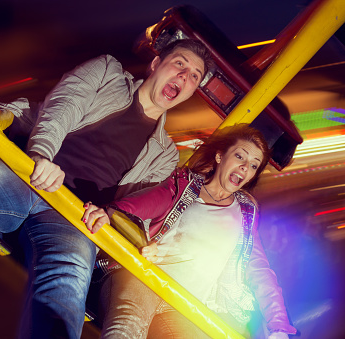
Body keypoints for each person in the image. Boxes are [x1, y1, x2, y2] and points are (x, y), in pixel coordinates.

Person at [0, 39, 212, 338]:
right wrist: (41, 155)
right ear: (155, 65)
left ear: (191, 91)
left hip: (73, 217)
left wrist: (110, 215)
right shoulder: (107, 72)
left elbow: (136, 206)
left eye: (194, 76)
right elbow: (63, 107)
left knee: (65, 292)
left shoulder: (165, 155)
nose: (184, 77)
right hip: (26, 175)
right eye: (180, 64)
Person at [82, 124, 297, 338]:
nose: (244, 167)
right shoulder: (184, 185)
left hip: (182, 305)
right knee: (125, 330)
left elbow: (260, 272)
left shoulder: (245, 215)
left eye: (253, 165)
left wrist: (278, 326)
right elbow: (143, 203)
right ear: (220, 156)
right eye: (240, 157)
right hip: (143, 279)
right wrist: (111, 213)